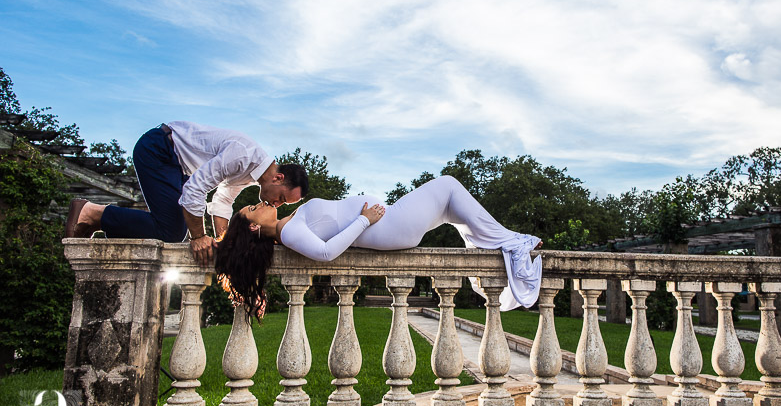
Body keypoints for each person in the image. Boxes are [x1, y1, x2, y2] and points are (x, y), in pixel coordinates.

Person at [215, 175, 542, 318]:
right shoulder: (289, 234)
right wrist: (365, 220)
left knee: (454, 208)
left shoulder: (291, 222)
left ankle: (504, 248)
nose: (257, 204)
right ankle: (513, 244)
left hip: (390, 221)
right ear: (254, 226)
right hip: (389, 225)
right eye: (251, 209)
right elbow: (327, 254)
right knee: (447, 187)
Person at [65, 121, 308, 266]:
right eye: (282, 199)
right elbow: (195, 190)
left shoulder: (250, 173)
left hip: (177, 167)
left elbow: (222, 200)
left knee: (172, 230)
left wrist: (225, 243)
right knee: (173, 232)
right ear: (278, 178)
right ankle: (92, 213)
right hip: (159, 149)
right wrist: (199, 237)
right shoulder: (243, 155)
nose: (276, 205)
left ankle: (103, 222)